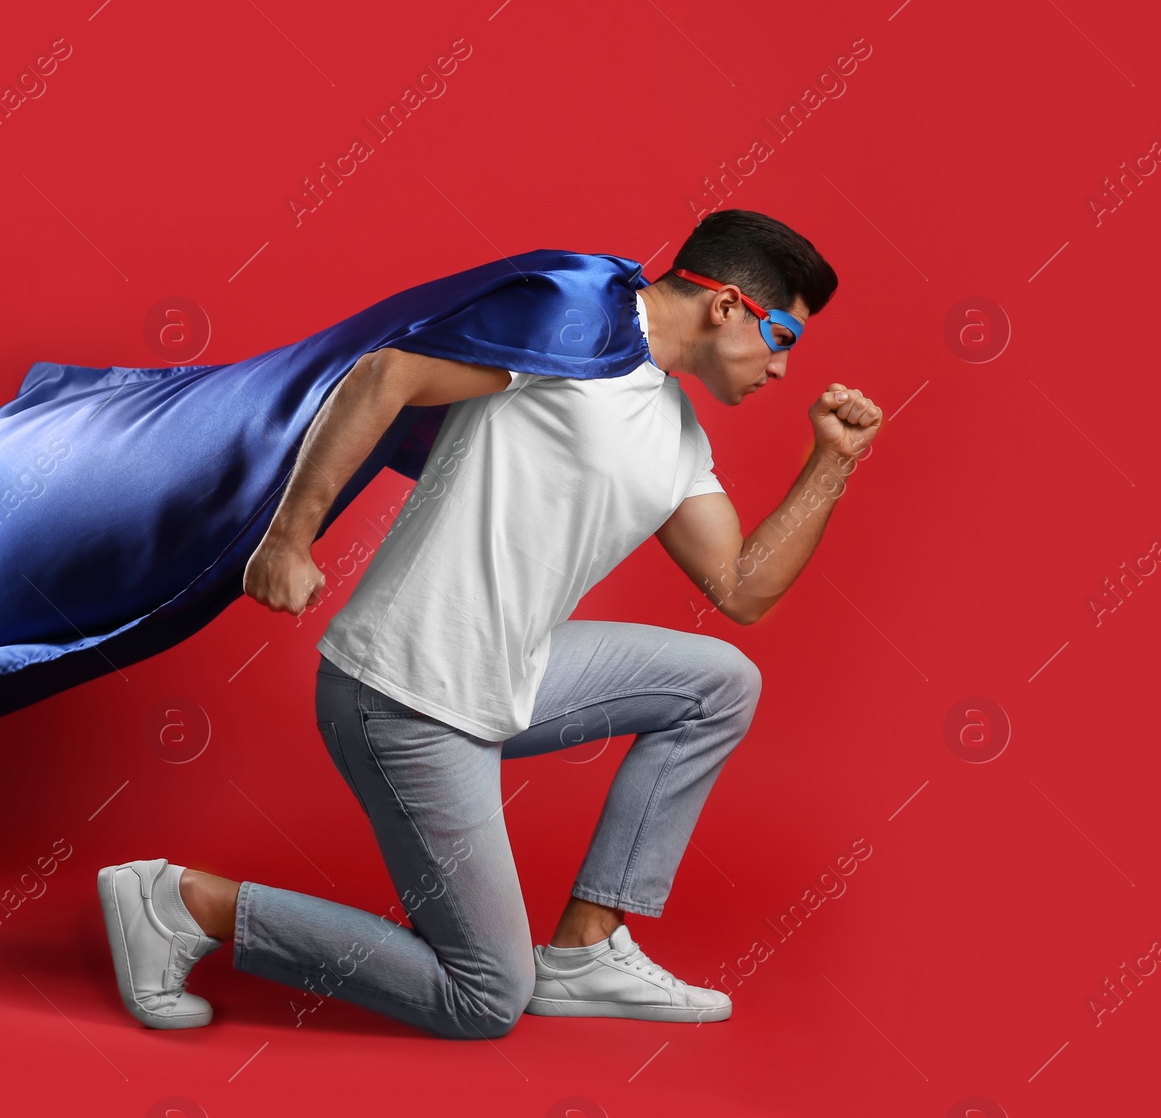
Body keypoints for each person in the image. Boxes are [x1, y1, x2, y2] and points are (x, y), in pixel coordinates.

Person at [98, 209, 882, 1037]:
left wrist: (831, 461)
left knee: (719, 683)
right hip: (405, 695)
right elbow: (386, 373)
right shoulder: (574, 330)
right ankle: (182, 903)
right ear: (726, 304)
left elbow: (744, 590)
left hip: (503, 678)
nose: (786, 368)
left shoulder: (674, 430)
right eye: (785, 333)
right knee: (484, 996)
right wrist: (287, 537)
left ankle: (588, 946)